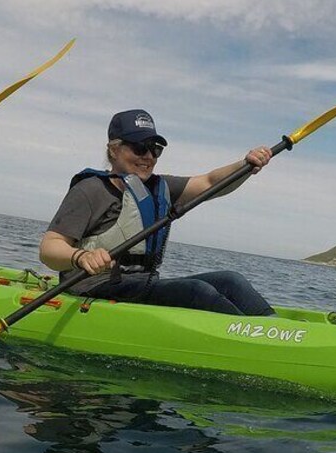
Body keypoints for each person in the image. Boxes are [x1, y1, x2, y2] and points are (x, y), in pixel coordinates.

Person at [40, 109, 275, 316]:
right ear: (113, 150)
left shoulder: (159, 187)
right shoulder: (90, 189)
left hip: (142, 284)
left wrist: (246, 165)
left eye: (155, 149)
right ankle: (259, 344)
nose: (149, 156)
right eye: (140, 147)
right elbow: (50, 247)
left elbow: (210, 182)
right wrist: (80, 257)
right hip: (94, 285)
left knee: (230, 281)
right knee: (197, 291)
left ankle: (278, 331)